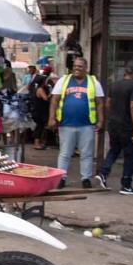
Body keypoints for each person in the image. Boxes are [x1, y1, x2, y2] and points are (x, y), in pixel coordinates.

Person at [48, 57, 105, 189]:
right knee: (65, 153)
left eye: (80, 66)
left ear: (86, 68)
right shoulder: (64, 80)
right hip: (66, 124)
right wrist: (51, 118)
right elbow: (54, 100)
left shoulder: (93, 82)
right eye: (74, 66)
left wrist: (101, 120)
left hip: (86, 124)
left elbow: (100, 103)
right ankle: (61, 178)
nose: (76, 69)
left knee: (86, 153)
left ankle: (86, 178)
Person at [96, 63, 133, 195]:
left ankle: (103, 172)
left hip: (113, 123)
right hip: (126, 125)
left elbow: (108, 103)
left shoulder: (114, 85)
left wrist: (112, 116)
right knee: (129, 154)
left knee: (114, 149)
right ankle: (126, 184)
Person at [29, 66, 53, 150]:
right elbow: (45, 98)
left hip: (38, 110)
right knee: (40, 126)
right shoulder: (40, 89)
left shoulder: (36, 88)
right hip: (39, 111)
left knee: (41, 126)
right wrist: (51, 95)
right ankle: (37, 143)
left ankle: (39, 143)